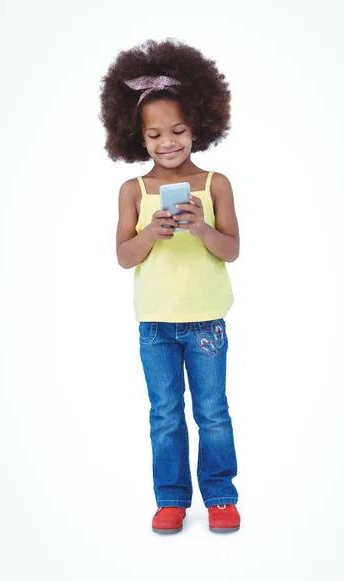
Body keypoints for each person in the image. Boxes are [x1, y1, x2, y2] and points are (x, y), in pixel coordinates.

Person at [99, 38, 241, 534]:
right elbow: (122, 257)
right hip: (155, 324)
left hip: (206, 322)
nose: (168, 142)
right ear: (137, 136)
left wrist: (201, 229)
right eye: (155, 133)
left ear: (198, 125)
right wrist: (149, 234)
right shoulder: (132, 191)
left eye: (178, 130)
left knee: (212, 412)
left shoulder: (215, 183)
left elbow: (232, 249)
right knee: (164, 414)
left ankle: (222, 496)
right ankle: (171, 499)